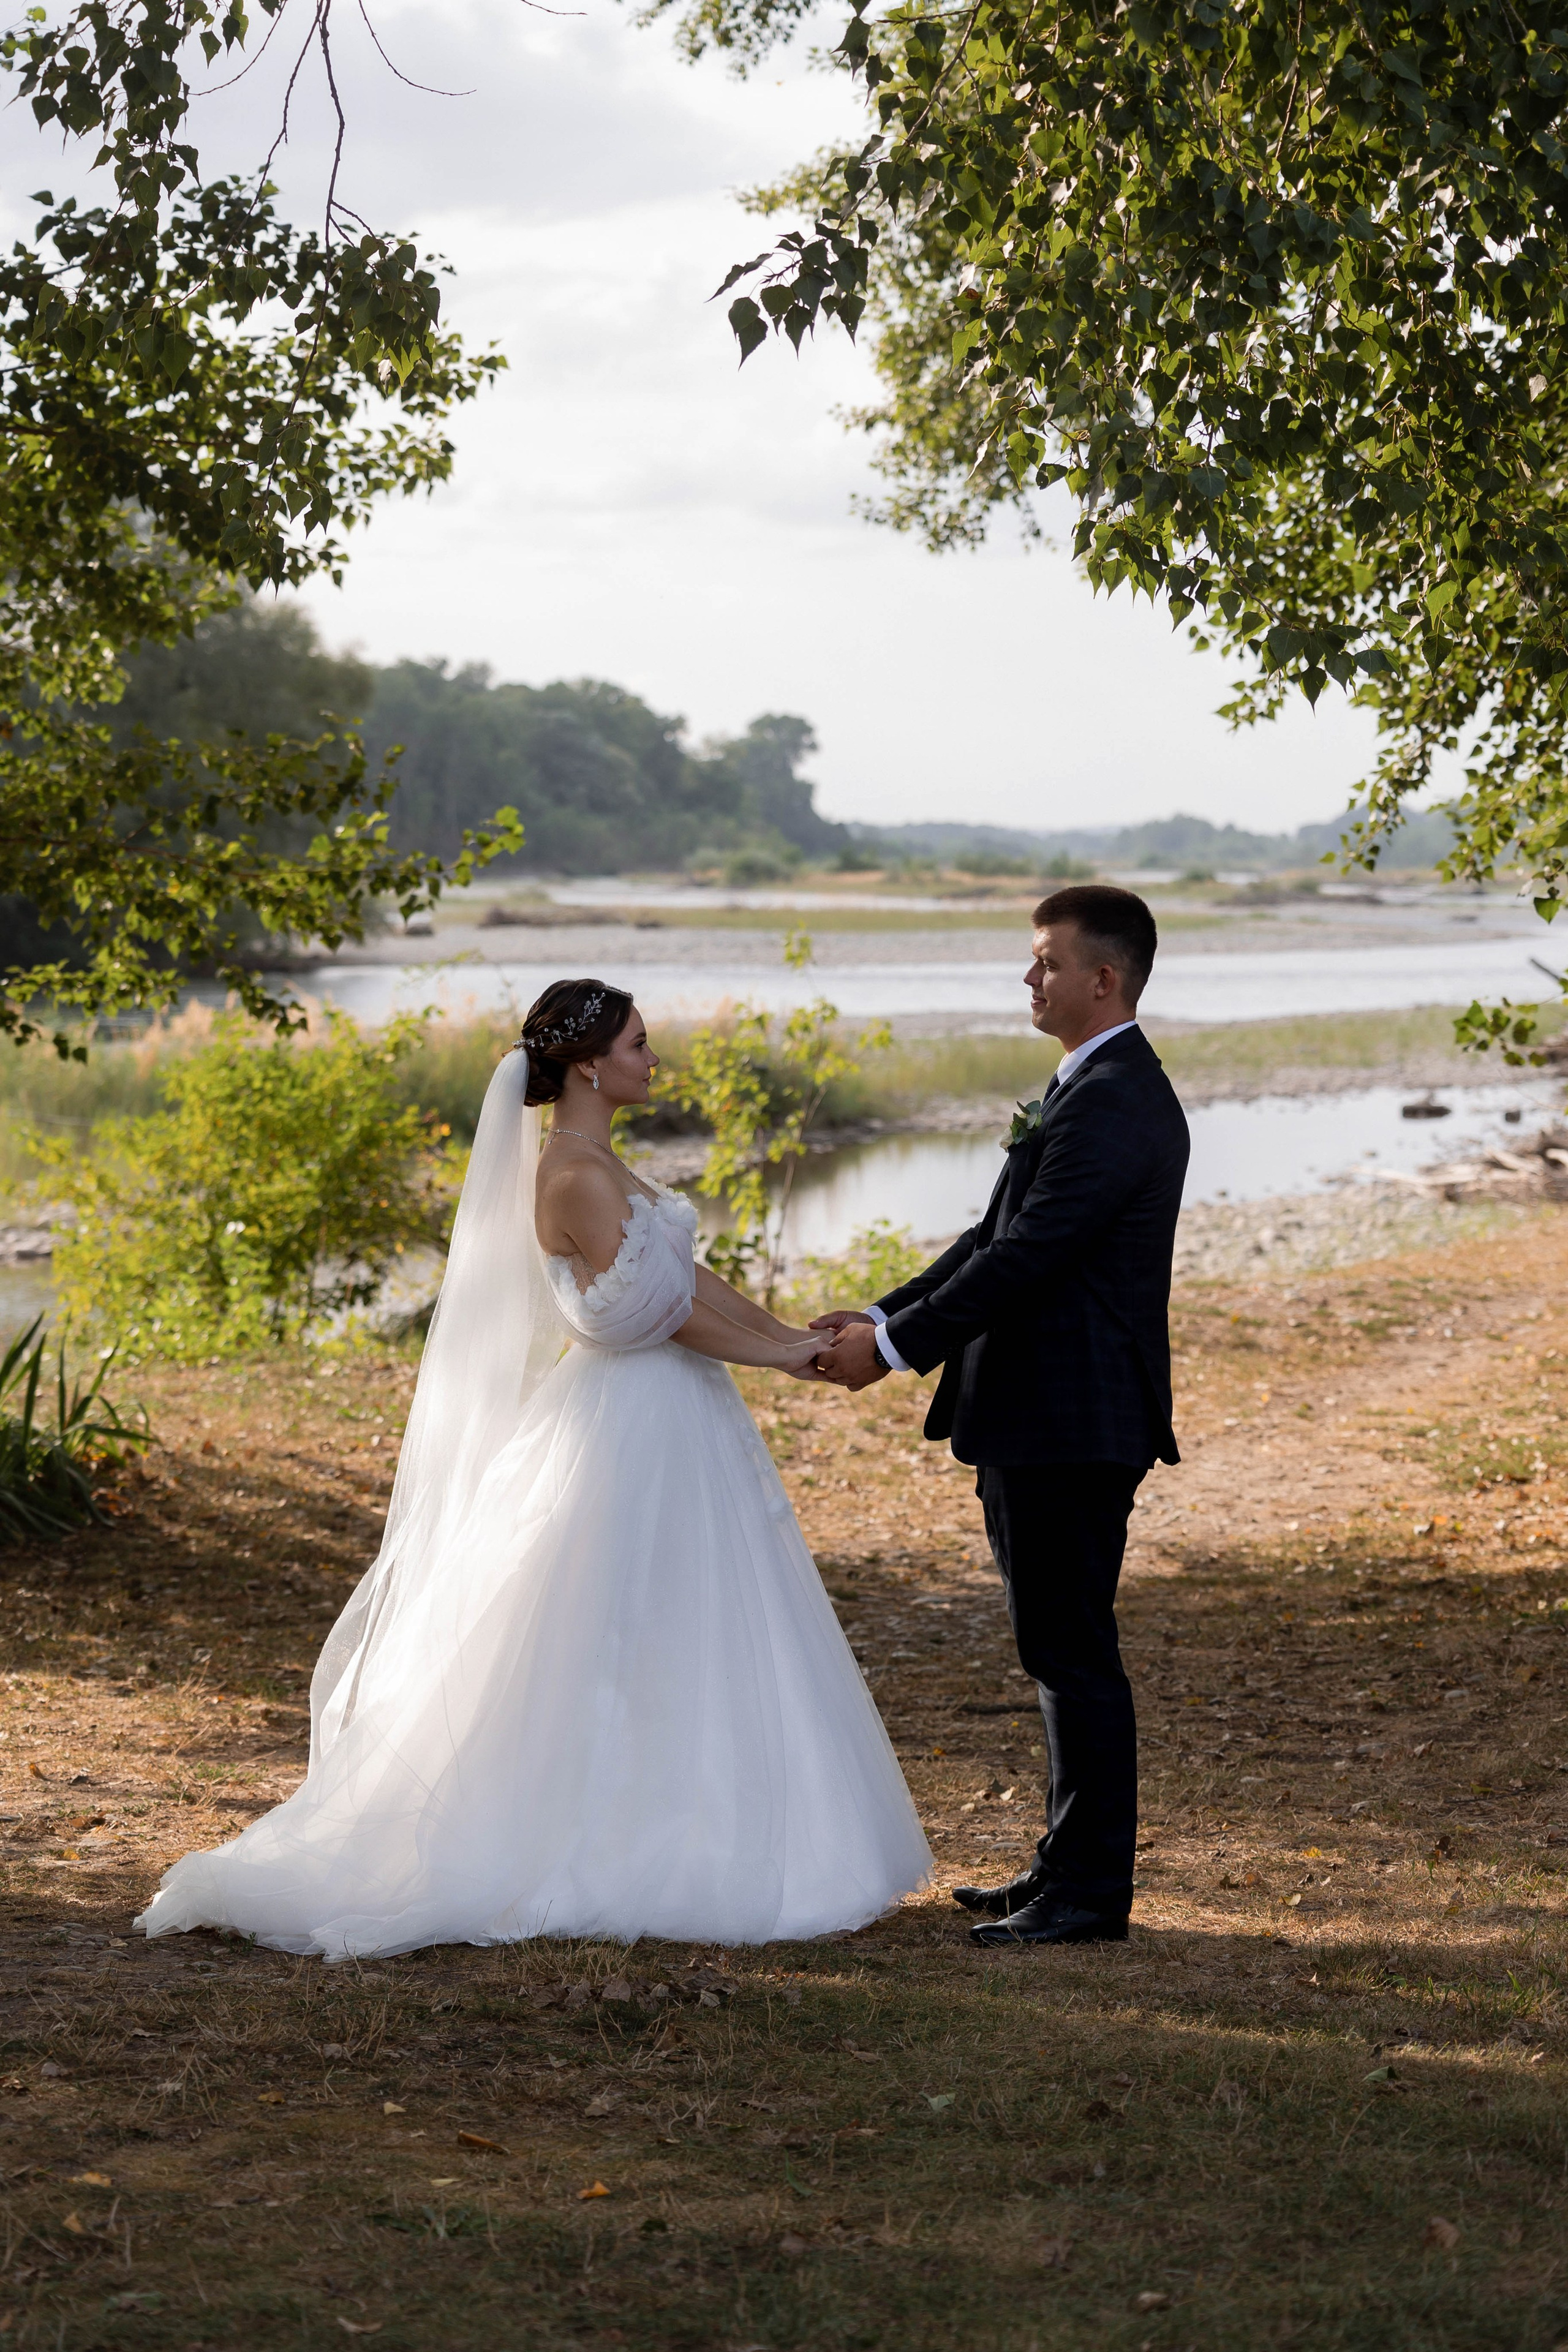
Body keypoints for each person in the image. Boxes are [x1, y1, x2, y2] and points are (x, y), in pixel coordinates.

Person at [135, 981, 931, 1958]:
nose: (653, 1060)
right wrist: (774, 1361)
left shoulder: (602, 1161)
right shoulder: (572, 1175)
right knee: (610, 1620)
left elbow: (686, 1276)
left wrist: (791, 1332)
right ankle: (612, 1834)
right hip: (626, 1421)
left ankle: (716, 1814)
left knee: (694, 1617)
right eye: (640, 1045)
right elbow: (656, 1314)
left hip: (673, 1414)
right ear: (591, 1062)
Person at [812, 886, 1188, 1947]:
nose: (1030, 980)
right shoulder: (1084, 1089)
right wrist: (883, 1314)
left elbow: (1032, 1261)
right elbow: (991, 1236)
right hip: (1038, 1417)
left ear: (1102, 980)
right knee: (1056, 1646)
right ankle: (1064, 1868)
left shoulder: (1117, 1099)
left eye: (1045, 963)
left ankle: (1088, 1897)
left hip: (1072, 1417)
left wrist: (891, 1354)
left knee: (1072, 1652)